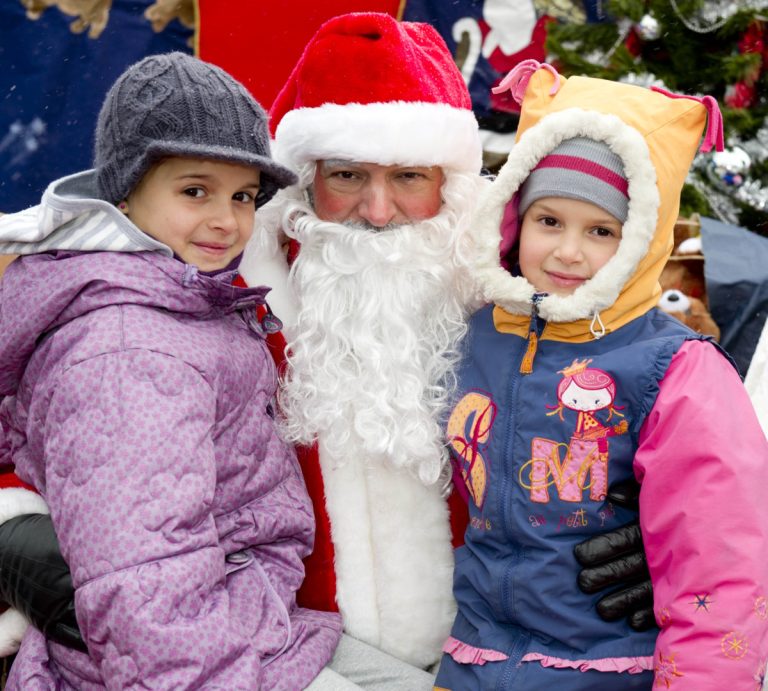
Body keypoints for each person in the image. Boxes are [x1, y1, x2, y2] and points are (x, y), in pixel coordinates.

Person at [0, 15, 656, 678]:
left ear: (452, 185)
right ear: (301, 181)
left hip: (484, 652)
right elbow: (48, 396)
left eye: (407, 177)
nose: (377, 209)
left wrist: (648, 525)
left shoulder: (525, 302)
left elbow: (664, 415)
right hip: (277, 650)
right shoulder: (219, 288)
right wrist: (19, 536)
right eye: (346, 176)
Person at [0, 50, 449, 690]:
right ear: (124, 191)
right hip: (206, 654)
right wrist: (13, 527)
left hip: (262, 628)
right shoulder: (134, 342)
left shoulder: (195, 295)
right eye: (193, 190)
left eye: (242, 195)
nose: (225, 219)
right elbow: (149, 580)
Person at [433, 60, 768, 689]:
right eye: (549, 220)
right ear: (514, 221)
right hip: (473, 661)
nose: (568, 251)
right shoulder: (479, 336)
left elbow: (717, 569)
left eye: (602, 231)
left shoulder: (675, 370)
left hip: (608, 668)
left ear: (640, 241)